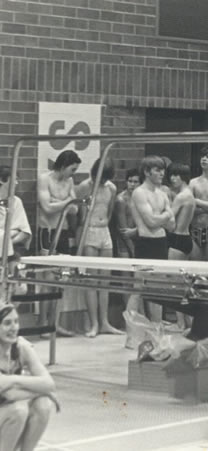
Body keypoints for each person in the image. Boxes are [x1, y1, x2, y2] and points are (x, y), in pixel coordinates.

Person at [0, 303, 57, 451]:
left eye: (16, 321)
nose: (14, 328)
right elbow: (7, 393)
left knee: (43, 404)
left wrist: (13, 380)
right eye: (7, 323)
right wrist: (40, 389)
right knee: (18, 410)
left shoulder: (21, 346)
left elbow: (49, 383)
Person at [36, 150, 81, 337]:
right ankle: (43, 324)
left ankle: (55, 323)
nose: (74, 174)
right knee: (47, 279)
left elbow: (75, 209)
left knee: (61, 279)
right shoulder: (44, 179)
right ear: (63, 166)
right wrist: (66, 202)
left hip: (62, 232)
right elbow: (46, 208)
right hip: (47, 232)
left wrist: (60, 203)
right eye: (72, 169)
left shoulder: (69, 182)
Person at [75, 158, 122, 337]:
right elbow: (77, 215)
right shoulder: (84, 187)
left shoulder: (111, 188)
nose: (101, 182)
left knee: (105, 281)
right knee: (91, 281)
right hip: (90, 231)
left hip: (104, 232)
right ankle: (93, 323)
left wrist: (105, 223)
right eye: (99, 178)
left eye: (104, 179)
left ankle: (104, 322)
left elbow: (109, 212)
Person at [129, 156, 175, 321]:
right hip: (145, 243)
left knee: (158, 288)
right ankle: (131, 332)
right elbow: (150, 222)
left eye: (162, 169)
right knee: (139, 287)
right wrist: (166, 214)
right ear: (147, 172)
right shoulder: (139, 193)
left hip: (161, 243)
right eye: (157, 170)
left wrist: (162, 217)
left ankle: (157, 328)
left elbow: (172, 225)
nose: (162, 173)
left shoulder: (162, 194)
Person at [166, 163, 196, 330]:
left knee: (176, 284)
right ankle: (187, 321)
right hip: (187, 239)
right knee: (184, 283)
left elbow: (170, 220)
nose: (172, 178)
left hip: (177, 238)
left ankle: (180, 322)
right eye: (171, 175)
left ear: (183, 177)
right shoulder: (190, 195)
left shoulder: (181, 197)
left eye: (176, 175)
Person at [0, 166, 32, 297]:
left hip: (12, 250)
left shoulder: (17, 202)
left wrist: (6, 241)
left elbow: (24, 232)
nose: (17, 183)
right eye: (14, 180)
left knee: (20, 289)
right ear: (2, 180)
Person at [114, 168, 140, 258]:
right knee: (126, 266)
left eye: (136, 182)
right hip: (124, 239)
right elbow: (123, 230)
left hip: (139, 235)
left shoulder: (142, 198)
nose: (132, 184)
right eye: (130, 181)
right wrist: (133, 250)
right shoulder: (121, 200)